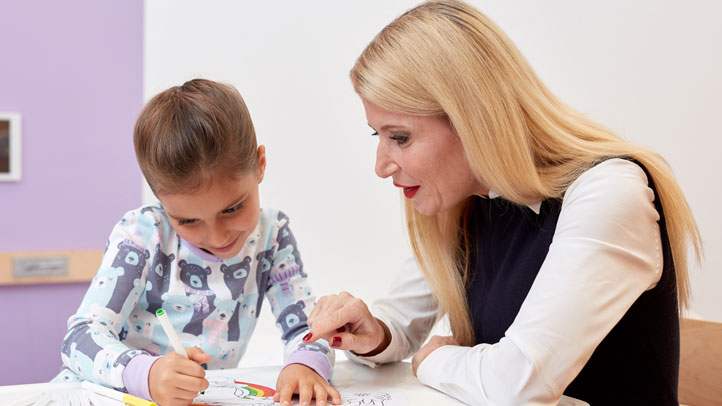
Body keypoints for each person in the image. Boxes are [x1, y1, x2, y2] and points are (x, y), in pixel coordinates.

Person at [303, 1, 703, 405]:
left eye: (400, 137)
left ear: (470, 118)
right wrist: (372, 332)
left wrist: (436, 360)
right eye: (378, 136)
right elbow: (403, 328)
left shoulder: (610, 193)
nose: (381, 166)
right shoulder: (469, 202)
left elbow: (517, 386)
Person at [53, 79, 340, 406]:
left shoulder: (272, 235)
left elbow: (307, 327)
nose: (217, 237)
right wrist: (147, 375)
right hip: (99, 395)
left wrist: (304, 364)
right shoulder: (144, 234)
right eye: (187, 221)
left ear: (260, 165)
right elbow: (78, 339)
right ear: (161, 200)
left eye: (232, 208)